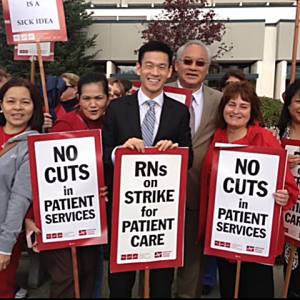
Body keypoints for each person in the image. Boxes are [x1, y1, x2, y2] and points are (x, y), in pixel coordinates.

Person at [103, 40, 193, 298]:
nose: (155, 72)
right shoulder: (118, 108)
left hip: (162, 215)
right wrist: (120, 151)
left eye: (161, 67)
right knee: (120, 285)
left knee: (161, 285)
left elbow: (190, 159)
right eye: (149, 66)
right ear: (138, 68)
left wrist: (175, 151)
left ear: (170, 72)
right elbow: (104, 153)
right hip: (125, 212)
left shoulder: (179, 111)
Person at [199, 81, 299, 298]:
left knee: (255, 290)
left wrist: (284, 196)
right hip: (224, 231)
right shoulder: (216, 136)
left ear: (252, 111)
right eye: (231, 104)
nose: (236, 111)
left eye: (243, 106)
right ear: (223, 107)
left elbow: (289, 186)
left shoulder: (265, 139)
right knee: (229, 288)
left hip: (255, 237)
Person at [25, 72, 109, 298]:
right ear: (78, 98)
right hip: (62, 214)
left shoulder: (110, 123)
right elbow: (46, 172)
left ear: (108, 98)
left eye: (99, 98)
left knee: (88, 274)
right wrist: (32, 217)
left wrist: (106, 185)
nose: (93, 104)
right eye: (86, 98)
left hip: (91, 214)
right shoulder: (66, 123)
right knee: (66, 277)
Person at [168, 40, 222, 298]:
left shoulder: (220, 101)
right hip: (156, 191)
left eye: (200, 63)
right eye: (187, 61)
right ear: (176, 65)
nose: (193, 67)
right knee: (157, 258)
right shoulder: (156, 93)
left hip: (197, 192)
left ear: (207, 69)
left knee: (192, 262)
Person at [0, 78, 43, 298]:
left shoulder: (33, 145)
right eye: (11, 101)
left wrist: (5, 246)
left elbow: (20, 197)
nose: (17, 108)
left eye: (25, 102)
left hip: (4, 232)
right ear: (1, 105)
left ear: (34, 106)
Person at [278, 79, 300, 298]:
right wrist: (281, 161)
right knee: (292, 272)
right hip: (287, 216)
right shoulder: (276, 134)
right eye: (299, 101)